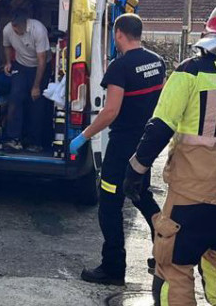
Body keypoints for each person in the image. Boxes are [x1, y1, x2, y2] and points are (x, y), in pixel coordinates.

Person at [123, 0, 216, 306]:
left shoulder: (190, 71)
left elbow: (159, 128)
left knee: (174, 272)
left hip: (190, 198)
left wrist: (136, 170)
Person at [73, 14, 164, 286]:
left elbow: (110, 111)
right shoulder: (156, 62)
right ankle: (163, 254)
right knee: (140, 195)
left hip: (122, 147)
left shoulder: (120, 66)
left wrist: (84, 136)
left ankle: (113, 269)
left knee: (109, 205)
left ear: (119, 33)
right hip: (146, 146)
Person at [2, 9, 50, 153]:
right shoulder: (7, 30)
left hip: (40, 67)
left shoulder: (38, 30)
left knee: (36, 102)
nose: (15, 30)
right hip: (21, 65)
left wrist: (36, 86)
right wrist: (8, 62)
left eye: (18, 27)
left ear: (25, 24)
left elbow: (42, 61)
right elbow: (6, 46)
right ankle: (13, 139)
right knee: (15, 97)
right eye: (13, 27)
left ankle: (34, 141)